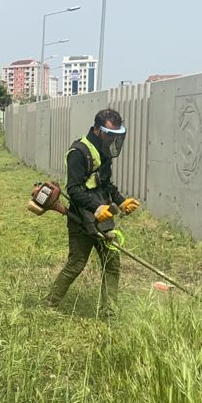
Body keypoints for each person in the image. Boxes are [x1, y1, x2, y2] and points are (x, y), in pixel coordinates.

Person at [46, 108, 141, 318]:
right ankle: (50, 302)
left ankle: (109, 312)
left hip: (104, 216)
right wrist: (96, 208)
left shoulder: (105, 152)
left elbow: (106, 184)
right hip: (82, 217)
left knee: (112, 263)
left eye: (117, 135)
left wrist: (121, 201)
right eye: (110, 134)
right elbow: (74, 190)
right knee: (76, 264)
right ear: (98, 130)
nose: (113, 139)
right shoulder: (79, 153)